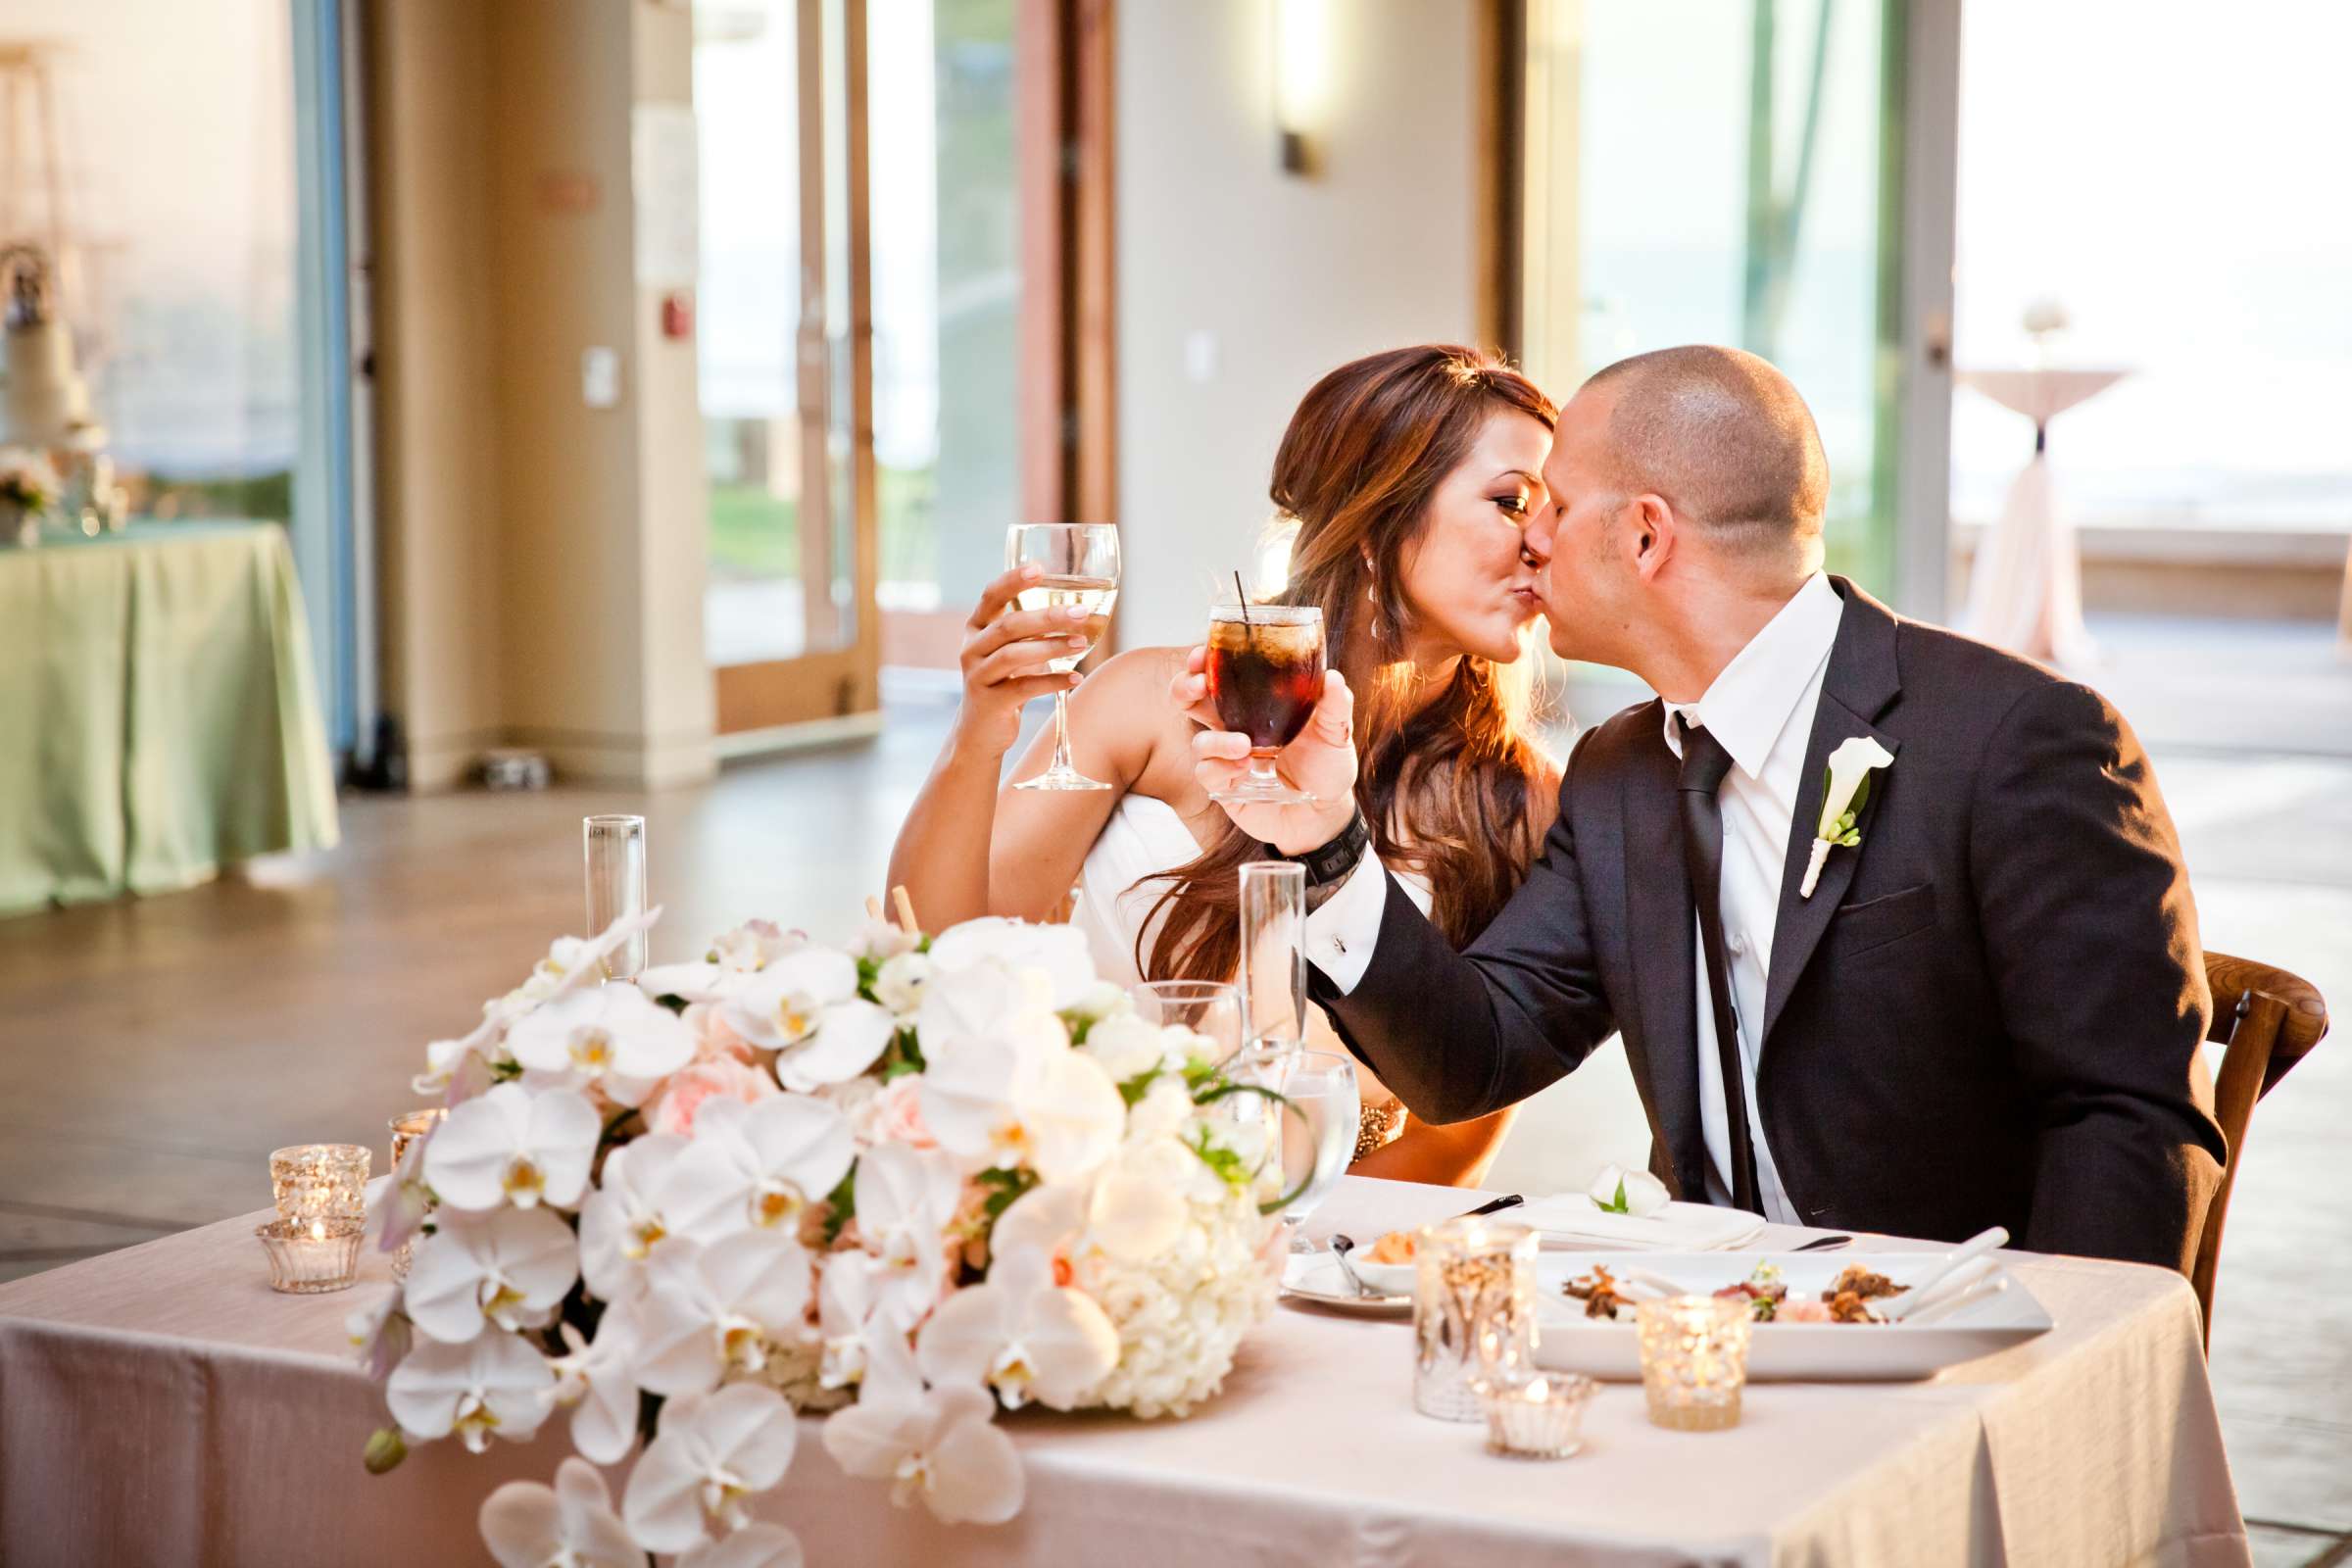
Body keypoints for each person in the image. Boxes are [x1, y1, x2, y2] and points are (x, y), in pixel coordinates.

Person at [1178, 344, 2226, 1269]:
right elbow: (1473, 1057)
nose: (1528, 540)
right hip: (1697, 1338)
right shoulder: (1616, 775)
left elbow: (2125, 1123)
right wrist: (1323, 833)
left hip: (1949, 1351)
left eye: (1551, 505)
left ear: (1644, 537)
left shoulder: (2015, 741)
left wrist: (2042, 1386)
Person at [889, 344, 1562, 1186]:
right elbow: (937, 946)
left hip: (1309, 1247)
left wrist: (1275, 1247)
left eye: (1555, 516)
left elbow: (1462, 1121)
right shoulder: (1147, 702)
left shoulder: (1517, 801)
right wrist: (982, 729)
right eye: (1510, 502)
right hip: (1066, 1195)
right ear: (1377, 514)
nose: (1544, 543)